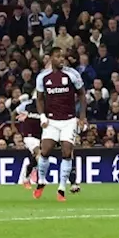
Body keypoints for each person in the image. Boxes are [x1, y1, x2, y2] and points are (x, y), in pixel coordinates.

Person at [33, 47, 86, 201]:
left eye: (63, 56)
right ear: (51, 58)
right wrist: (42, 116)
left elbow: (82, 94)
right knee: (45, 150)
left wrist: (82, 117)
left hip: (69, 120)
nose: (61, 59)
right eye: (58, 56)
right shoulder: (43, 77)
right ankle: (41, 181)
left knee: (67, 152)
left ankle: (61, 189)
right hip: (51, 121)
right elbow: (40, 98)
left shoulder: (72, 74)